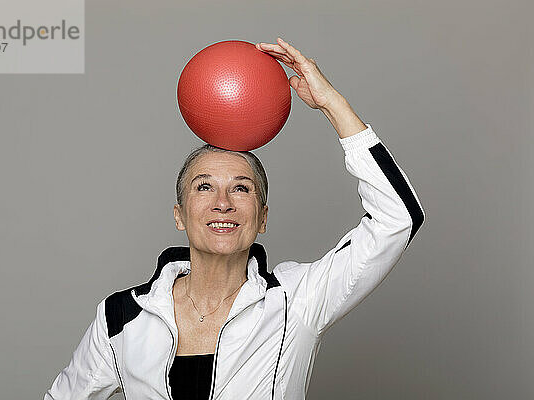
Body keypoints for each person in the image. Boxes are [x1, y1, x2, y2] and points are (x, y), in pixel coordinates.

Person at [44, 37, 425, 400]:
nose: (222, 203)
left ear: (262, 217)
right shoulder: (122, 315)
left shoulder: (297, 299)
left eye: (241, 188)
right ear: (180, 215)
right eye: (204, 187)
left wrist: (331, 103)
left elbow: (397, 218)